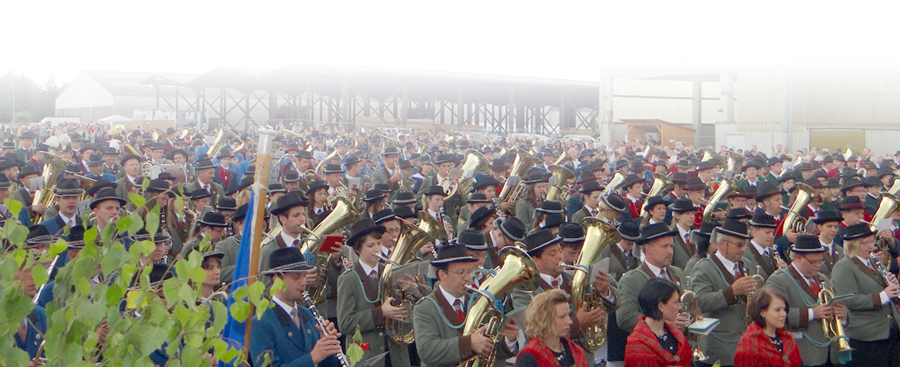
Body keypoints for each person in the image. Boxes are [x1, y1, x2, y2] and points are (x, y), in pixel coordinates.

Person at [412, 243, 518, 367]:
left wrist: (508, 340)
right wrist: (469, 343)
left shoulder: (478, 302)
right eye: (461, 273)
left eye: (469, 272)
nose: (467, 278)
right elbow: (427, 351)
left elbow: (491, 350)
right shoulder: (425, 307)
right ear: (442, 274)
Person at [249, 247, 343, 367]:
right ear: (277, 279)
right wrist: (312, 358)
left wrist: (327, 346)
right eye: (296, 277)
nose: (303, 282)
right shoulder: (261, 322)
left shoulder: (308, 314)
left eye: (304, 276)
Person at [336, 218, 412, 367]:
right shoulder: (348, 279)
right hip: (365, 354)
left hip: (396, 353)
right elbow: (345, 324)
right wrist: (381, 312)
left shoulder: (390, 272)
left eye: (379, 243)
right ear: (358, 249)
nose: (377, 249)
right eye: (370, 245)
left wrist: (412, 289)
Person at [765, 234, 847, 366]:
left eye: (820, 261)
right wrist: (812, 313)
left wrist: (841, 314)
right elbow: (773, 315)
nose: (818, 266)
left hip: (829, 353)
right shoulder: (779, 280)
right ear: (798, 258)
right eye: (813, 262)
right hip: (802, 353)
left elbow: (833, 308)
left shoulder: (822, 278)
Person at [690, 218, 758, 367]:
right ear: (722, 244)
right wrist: (732, 291)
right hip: (718, 348)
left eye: (745, 245)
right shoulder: (704, 267)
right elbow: (700, 302)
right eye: (739, 245)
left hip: (747, 345)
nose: (743, 249)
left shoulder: (747, 265)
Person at [832, 223, 900, 367]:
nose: (872, 246)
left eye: (872, 241)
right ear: (853, 245)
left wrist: (892, 285)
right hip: (867, 335)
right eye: (866, 243)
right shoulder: (844, 266)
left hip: (888, 330)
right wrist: (883, 296)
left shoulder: (873, 262)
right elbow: (849, 299)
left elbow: (878, 288)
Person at [623, 277, 691, 367]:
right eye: (675, 302)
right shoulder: (637, 344)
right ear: (661, 306)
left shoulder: (676, 335)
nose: (679, 307)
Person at [515, 289, 590, 367]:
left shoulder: (573, 349)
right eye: (562, 317)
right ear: (545, 320)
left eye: (568, 315)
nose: (569, 321)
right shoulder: (529, 357)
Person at [734, 288, 802, 367]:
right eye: (777, 310)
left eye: (784, 309)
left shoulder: (788, 339)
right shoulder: (749, 343)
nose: (783, 314)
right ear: (763, 312)